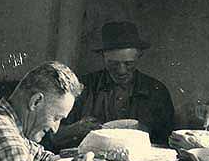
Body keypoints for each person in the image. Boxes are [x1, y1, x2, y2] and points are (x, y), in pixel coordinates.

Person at [49, 21, 174, 149]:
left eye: (128, 63)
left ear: (139, 56)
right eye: (113, 64)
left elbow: (168, 141)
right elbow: (51, 136)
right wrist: (75, 129)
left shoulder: (156, 91)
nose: (121, 71)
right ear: (103, 56)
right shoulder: (82, 87)